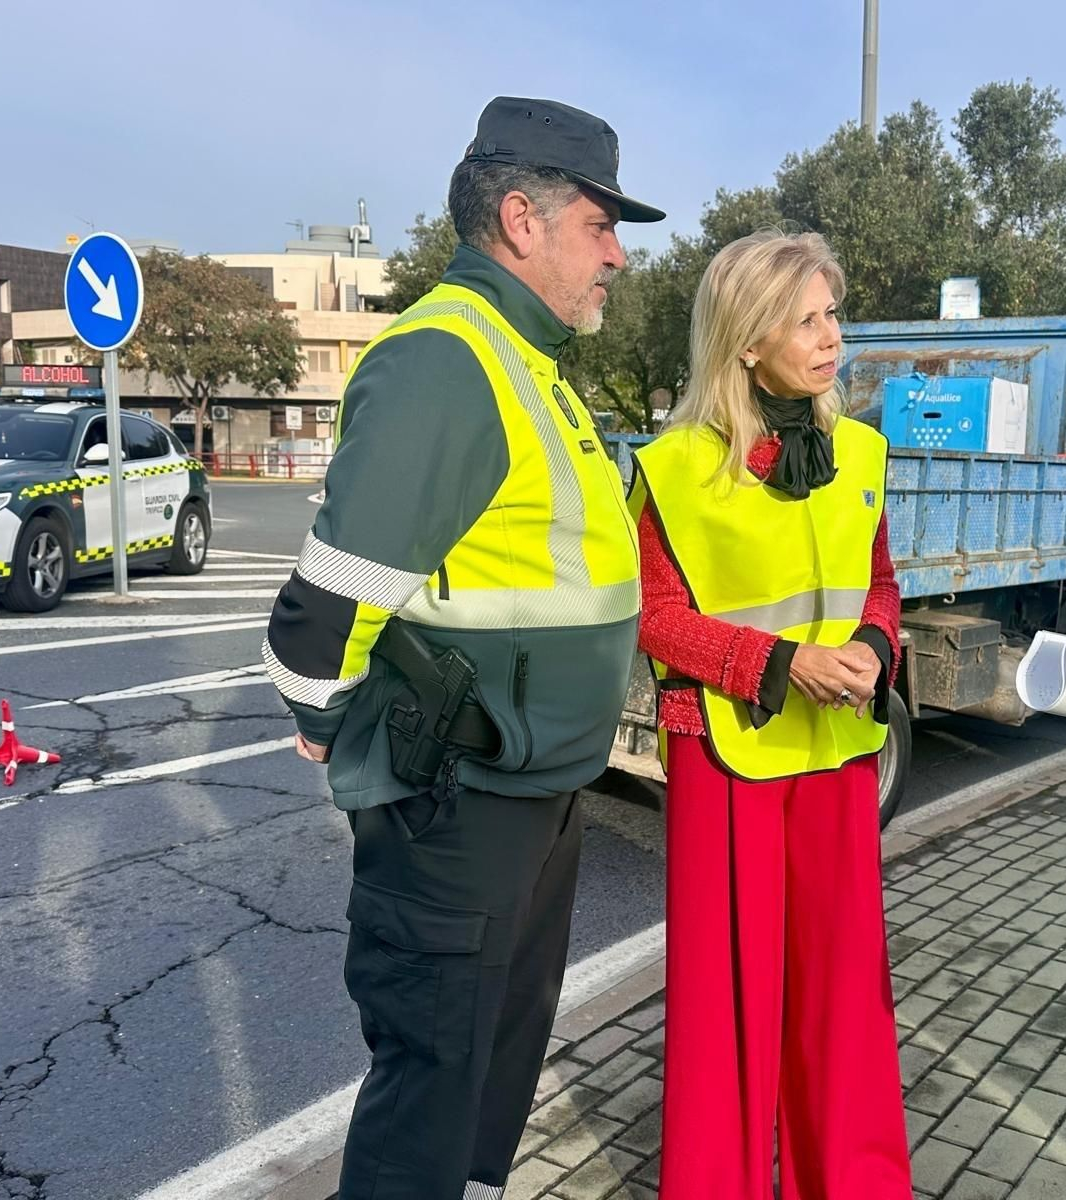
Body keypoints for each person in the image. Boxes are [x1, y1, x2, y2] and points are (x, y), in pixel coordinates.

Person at [262, 97, 664, 1200]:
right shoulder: (449, 358)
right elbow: (323, 610)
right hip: (459, 801)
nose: (619, 255)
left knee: (485, 1066)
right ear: (522, 219)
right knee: (431, 1088)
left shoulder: (528, 358)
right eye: (601, 225)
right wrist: (329, 719)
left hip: (531, 792)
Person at [629, 230, 912, 1199]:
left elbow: (880, 583)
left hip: (838, 757)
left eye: (833, 314)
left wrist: (873, 647)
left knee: (845, 1002)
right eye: (805, 320)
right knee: (727, 1011)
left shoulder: (862, 451)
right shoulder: (675, 466)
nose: (832, 337)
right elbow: (652, 614)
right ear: (746, 340)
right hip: (726, 759)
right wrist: (778, 665)